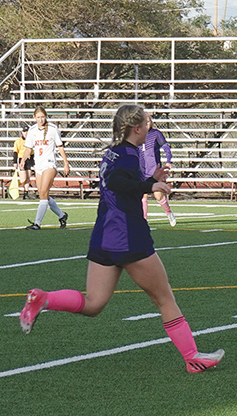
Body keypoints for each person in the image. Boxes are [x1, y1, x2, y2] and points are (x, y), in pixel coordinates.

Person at [18, 104, 224, 373]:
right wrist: (150, 185)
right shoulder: (128, 155)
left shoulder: (114, 153)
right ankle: (192, 358)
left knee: (93, 303)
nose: (149, 127)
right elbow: (117, 182)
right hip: (127, 235)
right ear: (136, 128)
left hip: (104, 233)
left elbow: (120, 185)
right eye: (146, 123)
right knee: (165, 298)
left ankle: (44, 299)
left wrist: (150, 178)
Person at [19, 106, 70, 229]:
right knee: (43, 195)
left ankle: (37, 223)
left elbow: (60, 146)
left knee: (42, 193)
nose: (41, 119)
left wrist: (65, 162)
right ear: (34, 117)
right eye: (38, 117)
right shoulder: (32, 130)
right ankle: (62, 215)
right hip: (39, 165)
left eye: (42, 117)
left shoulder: (52, 129)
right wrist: (23, 160)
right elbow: (28, 148)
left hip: (49, 164)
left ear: (45, 116)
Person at [139, 115, 177, 226]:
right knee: (143, 195)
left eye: (148, 121)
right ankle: (143, 221)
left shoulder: (156, 134)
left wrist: (168, 160)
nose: (146, 124)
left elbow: (166, 147)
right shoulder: (138, 135)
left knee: (158, 195)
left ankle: (169, 212)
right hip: (142, 171)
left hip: (154, 171)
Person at [11, 124, 34, 199]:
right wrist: (15, 162)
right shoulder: (18, 141)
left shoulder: (31, 141)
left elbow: (32, 153)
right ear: (22, 132)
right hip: (21, 159)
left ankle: (26, 193)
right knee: (23, 178)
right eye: (24, 131)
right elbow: (15, 152)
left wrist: (33, 163)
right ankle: (13, 186)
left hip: (29, 159)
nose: (26, 133)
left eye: (27, 131)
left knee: (28, 177)